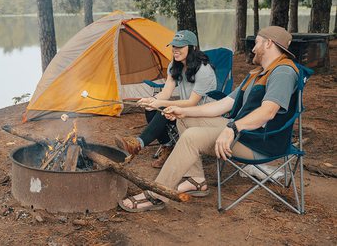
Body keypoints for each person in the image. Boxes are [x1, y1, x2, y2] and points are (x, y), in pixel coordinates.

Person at [119, 26, 299, 212]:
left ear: (269, 43)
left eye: (257, 43)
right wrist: (183, 112)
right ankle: (196, 180)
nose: (253, 48)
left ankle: (156, 194)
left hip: (260, 143)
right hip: (247, 133)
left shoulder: (283, 72)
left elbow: (268, 112)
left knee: (192, 137)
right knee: (183, 120)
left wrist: (232, 128)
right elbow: (222, 106)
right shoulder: (258, 74)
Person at [115, 30, 217, 168]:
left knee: (162, 108)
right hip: (185, 112)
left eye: (180, 47)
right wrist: (150, 100)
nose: (175, 50)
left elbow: (192, 102)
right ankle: (168, 147)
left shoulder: (204, 70)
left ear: (192, 48)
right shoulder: (175, 65)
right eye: (174, 46)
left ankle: (138, 143)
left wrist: (160, 103)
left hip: (205, 115)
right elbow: (165, 93)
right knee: (151, 108)